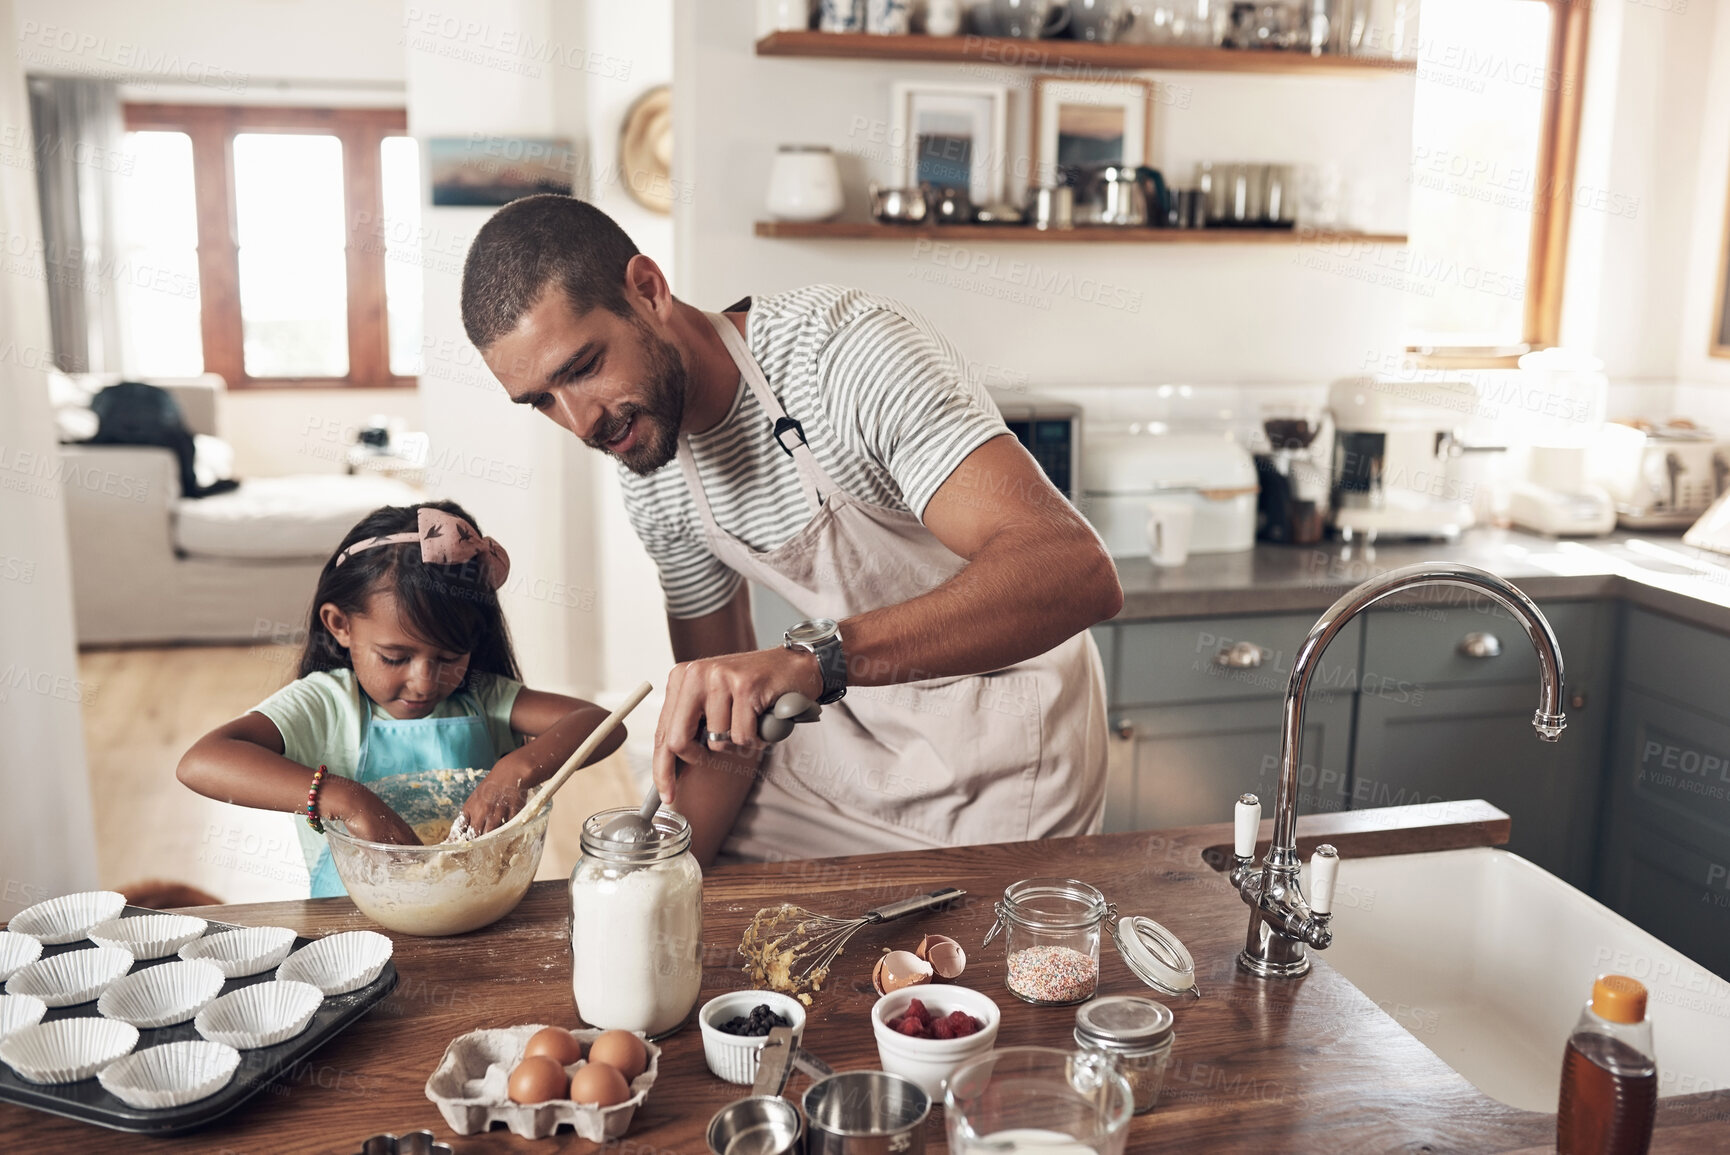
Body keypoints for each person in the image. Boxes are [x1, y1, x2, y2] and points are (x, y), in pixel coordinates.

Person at [460, 196, 1122, 866]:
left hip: (1006, 735)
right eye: (542, 399)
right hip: (854, 725)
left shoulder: (843, 356)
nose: (579, 422)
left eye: (582, 367)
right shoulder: (646, 457)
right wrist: (653, 880)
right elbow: (723, 733)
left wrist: (819, 660)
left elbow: (1075, 570)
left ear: (648, 290)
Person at [177, 500, 625, 896]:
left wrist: (516, 770)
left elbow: (604, 723)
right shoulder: (326, 703)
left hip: (479, 905)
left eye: (449, 656)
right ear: (340, 625)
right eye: (395, 657)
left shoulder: (481, 696)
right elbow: (201, 761)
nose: (424, 682)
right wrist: (348, 800)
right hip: (350, 925)